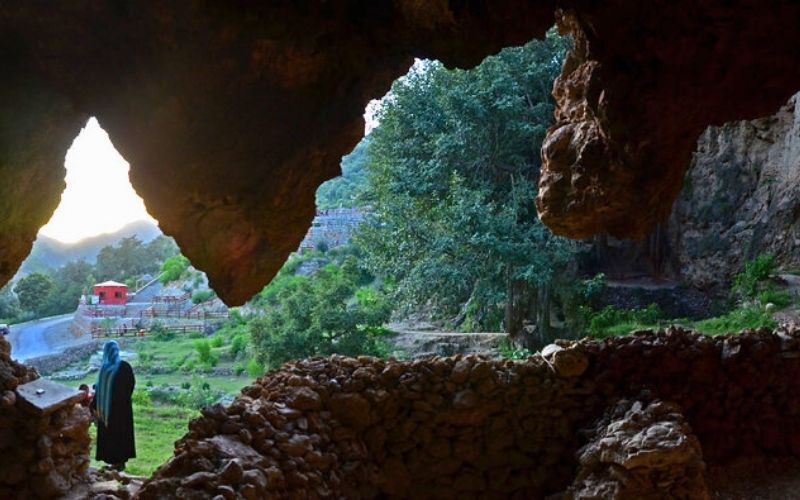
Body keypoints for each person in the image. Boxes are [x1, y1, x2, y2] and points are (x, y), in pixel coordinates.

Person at [90, 340, 136, 470]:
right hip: (123, 410)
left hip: (106, 411)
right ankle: (120, 462)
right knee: (122, 434)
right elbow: (131, 385)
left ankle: (112, 461)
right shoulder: (125, 366)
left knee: (110, 436)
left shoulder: (104, 370)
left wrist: (94, 405)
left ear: (106, 352)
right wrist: (124, 400)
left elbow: (99, 391)